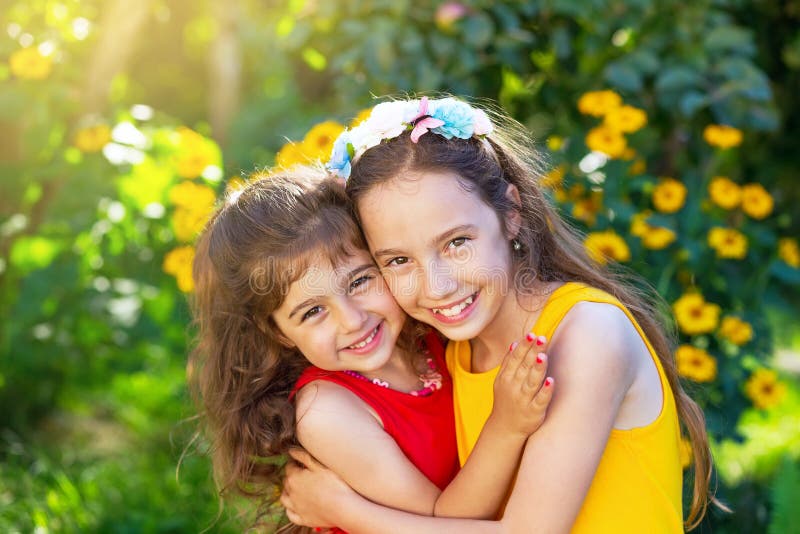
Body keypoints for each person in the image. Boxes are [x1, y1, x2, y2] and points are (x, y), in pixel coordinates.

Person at [280, 97, 724, 533]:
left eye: (456, 243)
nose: (437, 286)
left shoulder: (588, 333)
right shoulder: (454, 354)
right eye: (398, 261)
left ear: (510, 213)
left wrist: (342, 507)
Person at [187, 166, 555, 532]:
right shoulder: (326, 411)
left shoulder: (430, 333)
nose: (351, 320)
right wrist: (507, 427)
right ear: (279, 332)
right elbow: (450, 521)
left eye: (361, 281)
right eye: (313, 311)